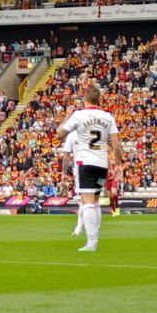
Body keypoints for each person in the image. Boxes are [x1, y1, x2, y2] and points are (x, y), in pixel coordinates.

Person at [59, 85, 121, 253]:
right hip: (102, 164)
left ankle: (91, 242)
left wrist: (66, 117)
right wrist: (119, 165)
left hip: (85, 163)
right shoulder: (107, 116)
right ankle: (95, 233)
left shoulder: (79, 115)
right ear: (98, 99)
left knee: (87, 203)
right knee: (95, 201)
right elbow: (115, 144)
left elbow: (59, 134)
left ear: (84, 97)